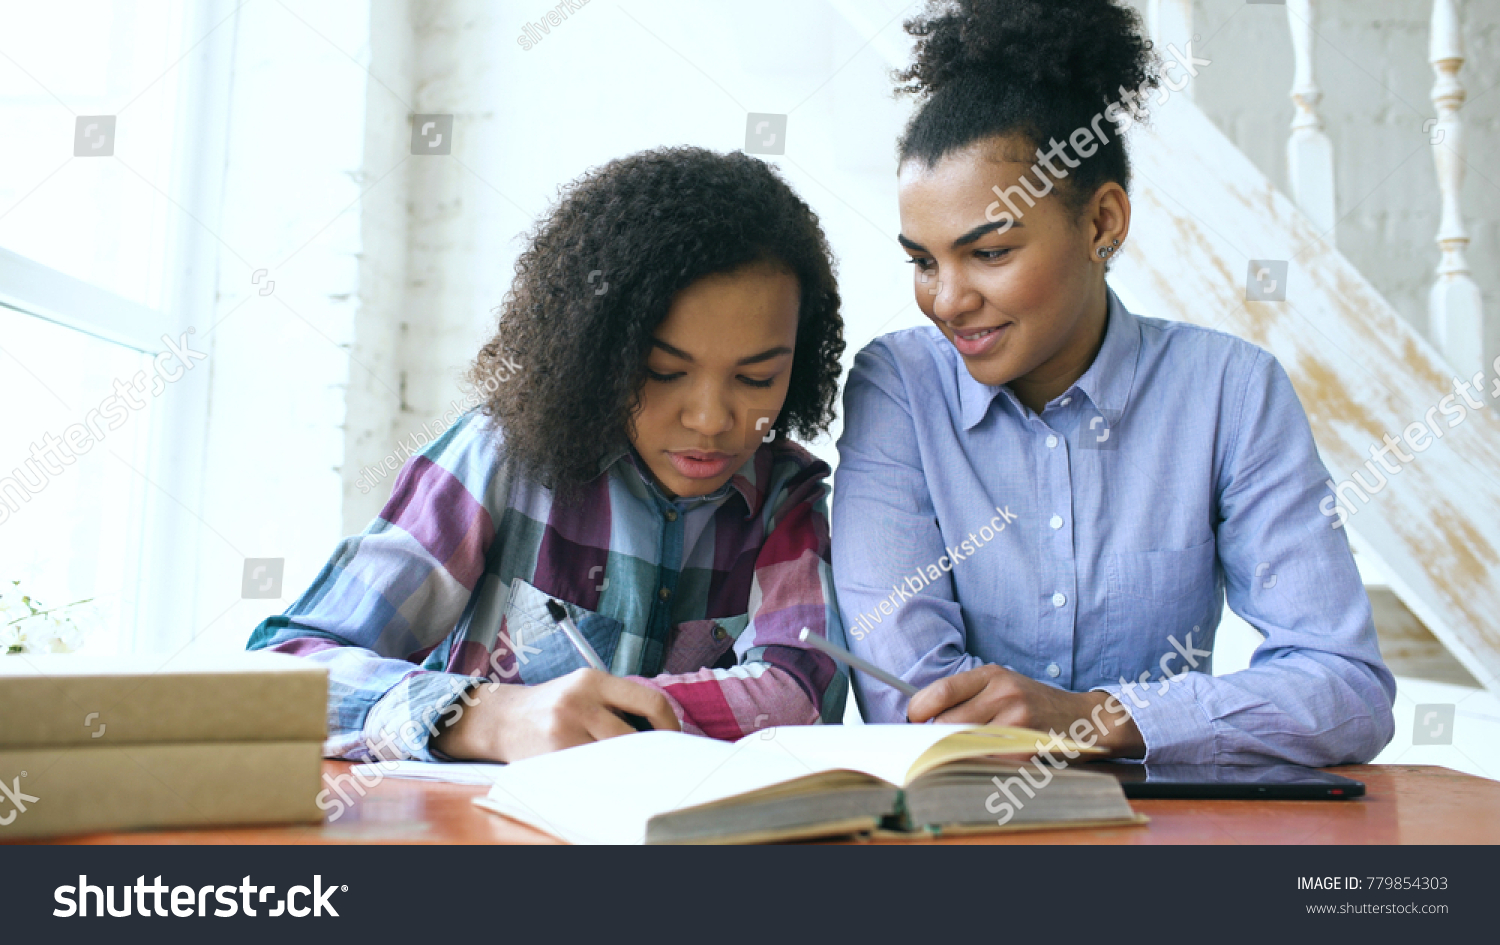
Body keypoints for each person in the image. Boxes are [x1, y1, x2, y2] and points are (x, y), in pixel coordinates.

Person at [831, 0, 1394, 765]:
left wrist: (1097, 716)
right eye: (924, 260)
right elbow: (916, 700)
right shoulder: (897, 386)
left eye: (989, 253)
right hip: (966, 831)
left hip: (1169, 837)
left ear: (1102, 223)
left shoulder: (1230, 391)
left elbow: (1346, 691)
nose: (948, 299)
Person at [249, 147, 848, 764]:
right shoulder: (500, 458)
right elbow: (281, 672)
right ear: (599, 352)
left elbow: (801, 696)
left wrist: (600, 715)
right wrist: (484, 716)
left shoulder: (787, 497)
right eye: (663, 371)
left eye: (756, 380)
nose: (711, 420)